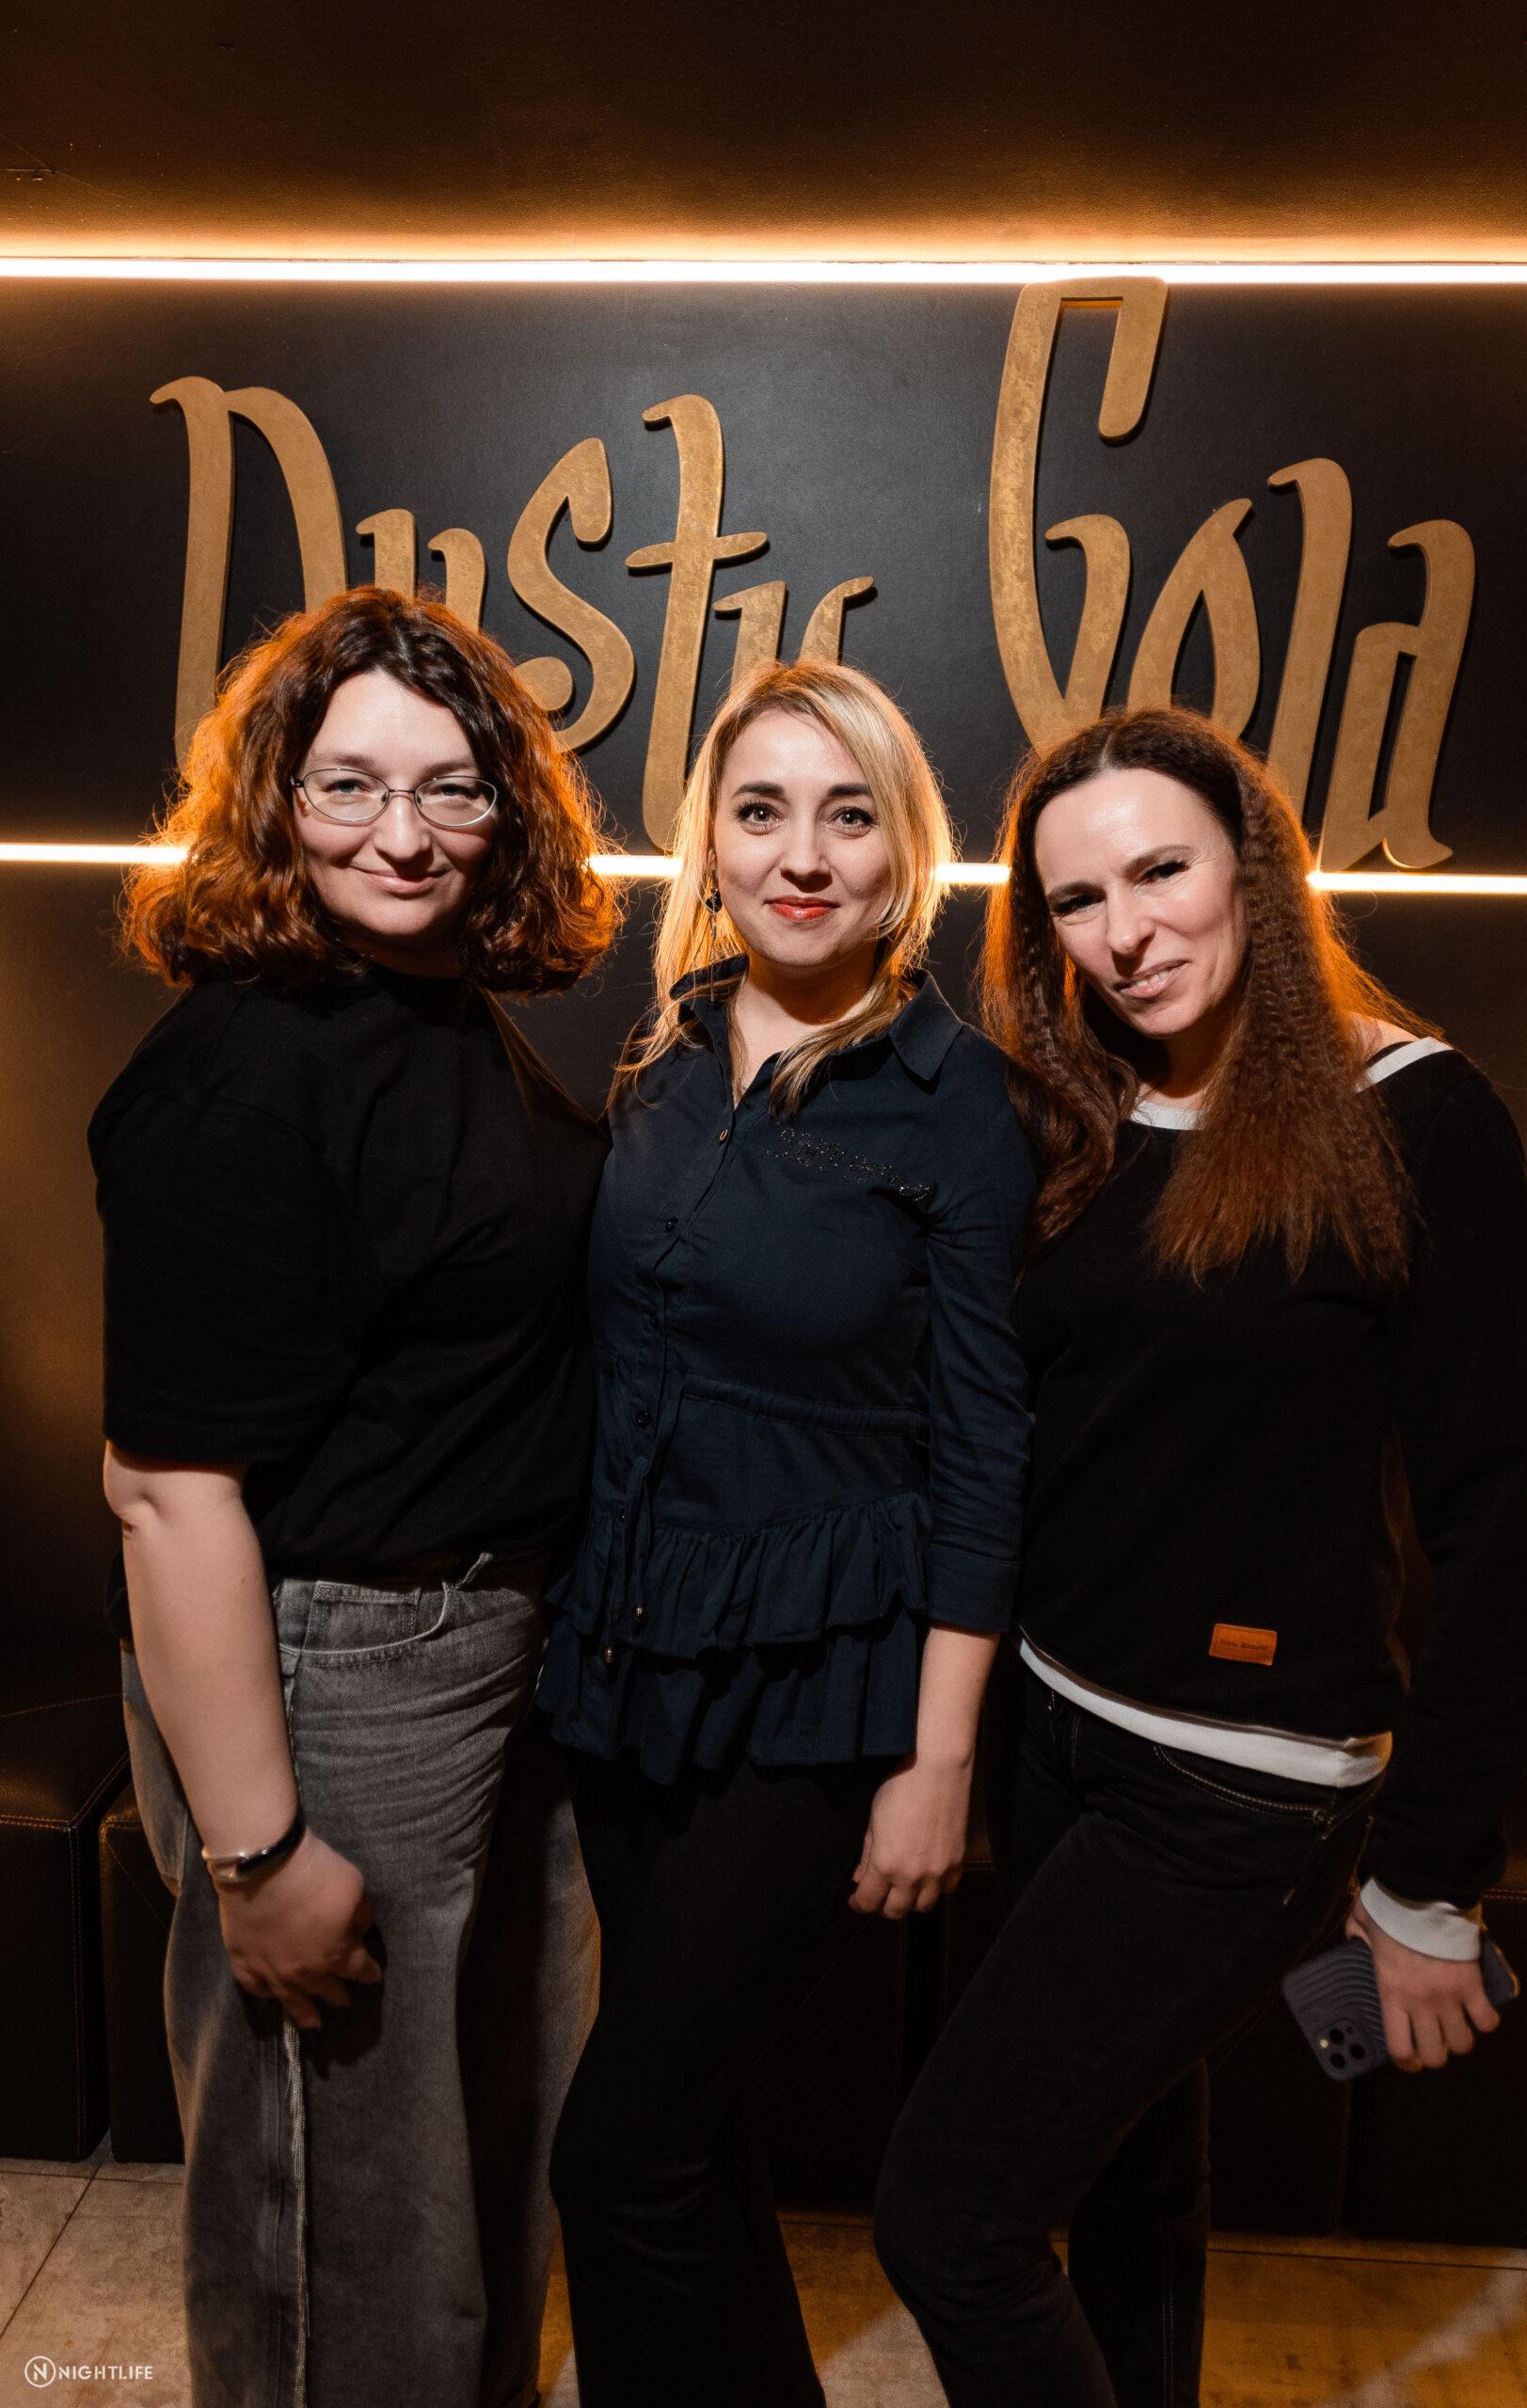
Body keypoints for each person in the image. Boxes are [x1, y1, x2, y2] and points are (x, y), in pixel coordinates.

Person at [874, 705, 1527, 2408]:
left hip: (1237, 1788)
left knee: (948, 2218)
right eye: (1077, 901)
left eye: (1161, 872)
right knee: (1128, 2181)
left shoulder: (1414, 1117)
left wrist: (1427, 1884)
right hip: (1055, 1728)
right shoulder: (1081, 1108)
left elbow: (1496, 1524)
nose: (1125, 932)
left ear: (1252, 869)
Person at [91, 587, 616, 2408]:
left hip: (492, 1644)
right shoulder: (243, 1069)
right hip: (336, 1666)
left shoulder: (434, 1006)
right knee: (350, 2226)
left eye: (451, 788)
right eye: (348, 785)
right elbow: (166, 1493)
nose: (403, 833)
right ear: (274, 803)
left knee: (484, 2171)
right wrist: (257, 1851)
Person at [540, 658, 1037, 2406]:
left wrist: (935, 1760)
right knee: (693, 2140)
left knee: (615, 2155)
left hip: (826, 1688)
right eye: (760, 813)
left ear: (905, 854)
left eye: (846, 817)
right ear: (712, 841)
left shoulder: (958, 1099)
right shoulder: (664, 1055)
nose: (800, 857)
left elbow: (986, 1448)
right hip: (629, 1666)